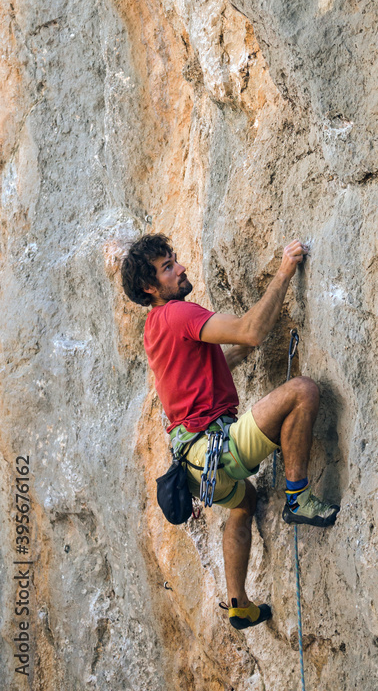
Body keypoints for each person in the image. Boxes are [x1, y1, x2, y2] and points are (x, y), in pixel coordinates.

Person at [120, 233, 339, 630]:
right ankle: (299, 500)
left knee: (244, 501)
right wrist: (286, 268)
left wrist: (238, 353)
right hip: (215, 453)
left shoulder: (155, 327)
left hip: (194, 469)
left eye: (175, 259)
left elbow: (204, 369)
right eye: (168, 268)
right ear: (150, 288)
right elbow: (250, 330)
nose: (180, 268)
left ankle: (239, 604)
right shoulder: (177, 314)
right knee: (303, 391)